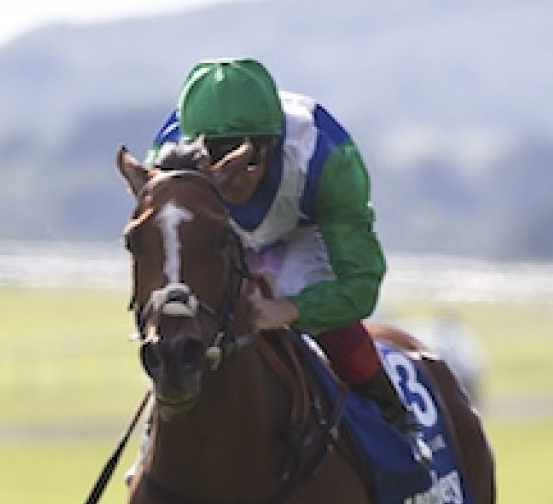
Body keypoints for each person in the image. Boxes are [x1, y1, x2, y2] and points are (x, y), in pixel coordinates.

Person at [149, 57, 429, 459]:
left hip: (306, 228)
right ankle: (155, 435)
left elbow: (361, 286)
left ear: (274, 142)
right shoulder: (166, 167)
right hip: (217, 233)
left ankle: (395, 418)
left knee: (298, 283)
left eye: (249, 158)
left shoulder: (326, 157)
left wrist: (287, 309)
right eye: (218, 160)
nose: (237, 176)